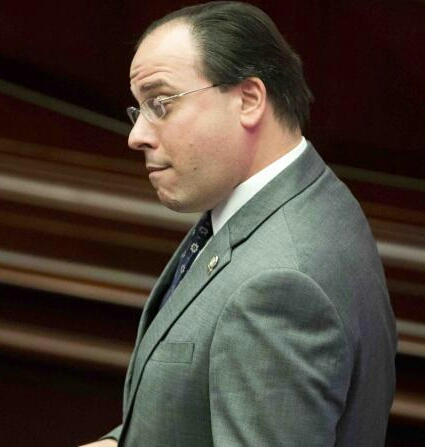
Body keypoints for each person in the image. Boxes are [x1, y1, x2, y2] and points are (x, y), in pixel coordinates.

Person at [80, 2, 397, 446]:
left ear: (248, 99)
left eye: (160, 104)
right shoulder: (308, 196)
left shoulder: (280, 287)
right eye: (140, 110)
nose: (137, 136)